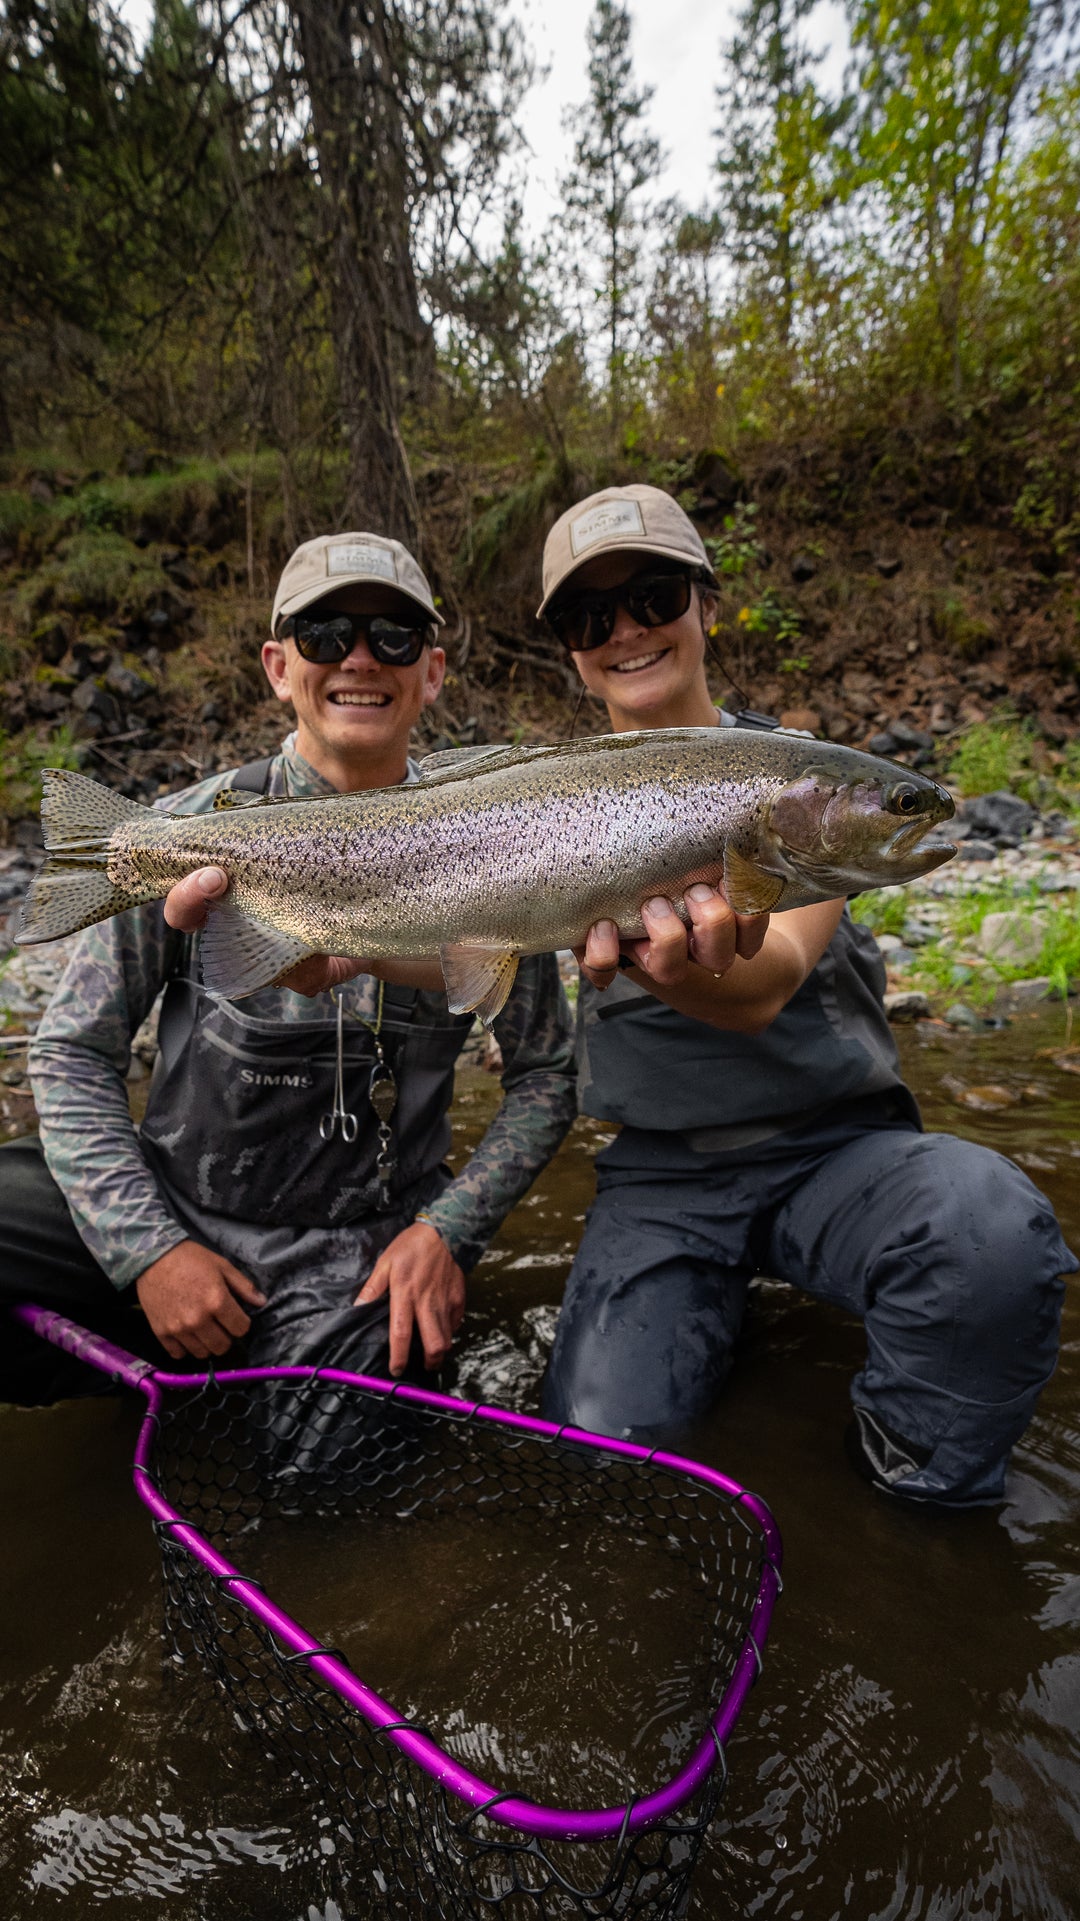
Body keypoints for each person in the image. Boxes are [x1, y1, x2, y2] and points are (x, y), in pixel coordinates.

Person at [534, 483, 1075, 1506]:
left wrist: (674, 968)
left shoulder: (795, 777)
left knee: (991, 1235)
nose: (626, 631)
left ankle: (916, 1504)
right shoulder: (540, 800)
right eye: (588, 617)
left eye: (652, 596)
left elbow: (765, 983)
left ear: (702, 603)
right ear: (570, 646)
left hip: (838, 1150)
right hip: (662, 1180)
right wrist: (324, 946)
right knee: (604, 1460)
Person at [1, 531, 576, 1402]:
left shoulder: (504, 846)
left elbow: (546, 1076)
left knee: (333, 1490)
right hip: (175, 1205)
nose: (358, 656)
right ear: (278, 665)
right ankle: (150, 1362)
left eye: (393, 637)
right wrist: (147, 1250)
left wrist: (448, 1232)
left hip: (363, 1253)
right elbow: (70, 1051)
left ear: (432, 671)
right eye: (324, 633)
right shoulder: (183, 835)